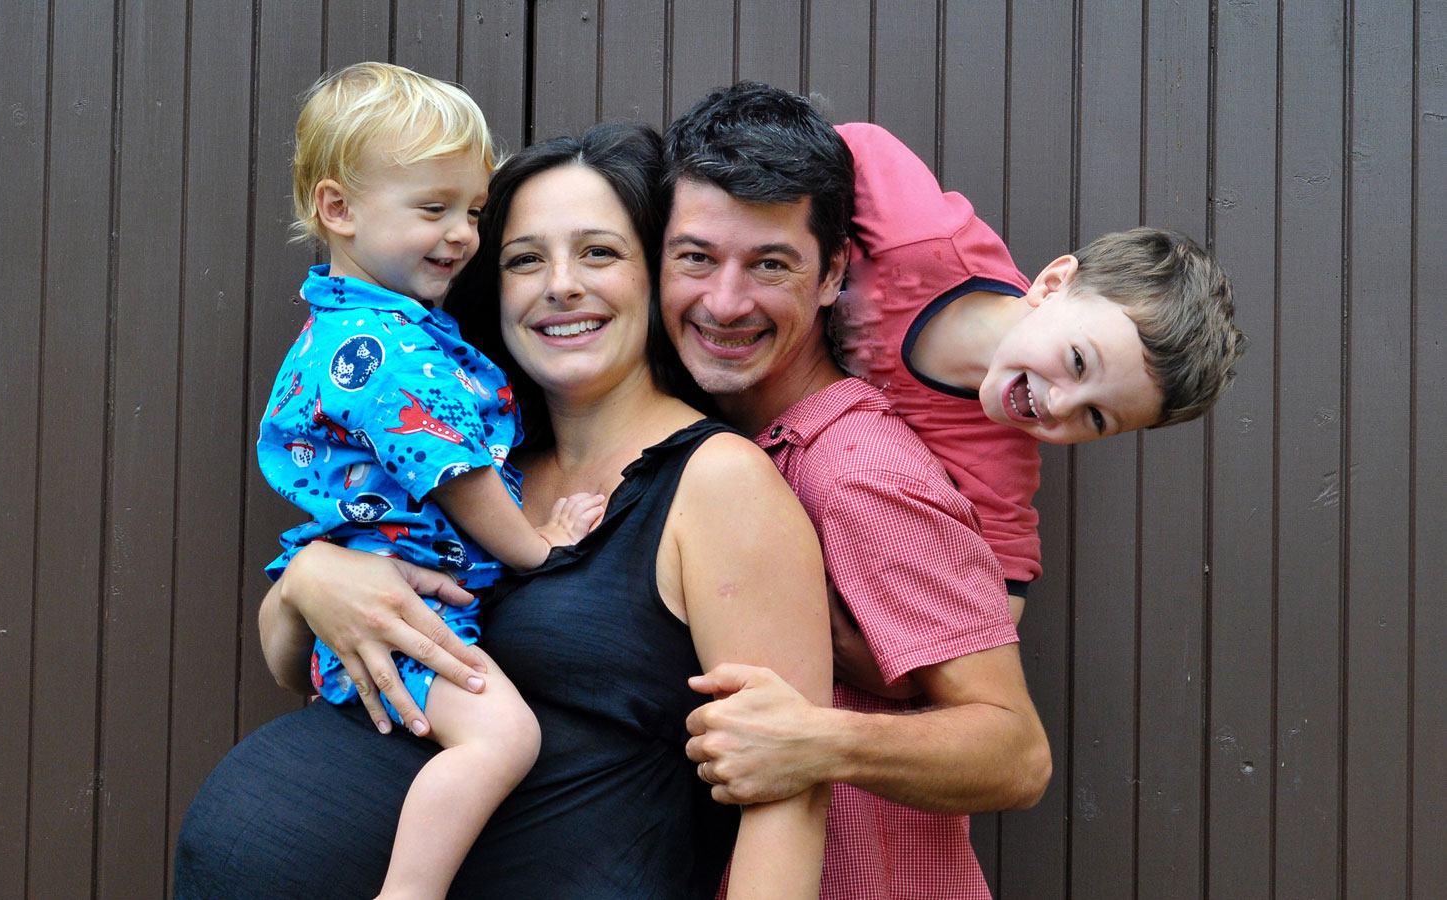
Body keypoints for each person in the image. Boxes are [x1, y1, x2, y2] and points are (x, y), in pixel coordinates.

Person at [179, 122, 831, 900]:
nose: (561, 285)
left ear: (656, 276)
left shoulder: (717, 481)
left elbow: (786, 796)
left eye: (599, 252)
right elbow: (298, 669)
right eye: (525, 259)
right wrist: (308, 583)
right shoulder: (474, 469)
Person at [656, 83, 1051, 900]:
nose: (725, 302)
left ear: (833, 272)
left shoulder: (860, 469)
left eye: (771, 264)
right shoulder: (705, 444)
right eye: (696, 258)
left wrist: (818, 743)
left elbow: (1015, 754)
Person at [256, 60, 605, 900]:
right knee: (503, 739)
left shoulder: (360, 325)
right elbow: (454, 472)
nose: (462, 235)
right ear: (338, 209)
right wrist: (540, 546)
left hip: (385, 590)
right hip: (406, 606)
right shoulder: (388, 349)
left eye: (473, 212)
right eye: (433, 208)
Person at [828, 121, 1242, 629]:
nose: (1061, 406)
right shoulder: (921, 239)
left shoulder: (998, 452)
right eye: (1079, 362)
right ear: (1052, 284)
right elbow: (849, 145)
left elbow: (1004, 588)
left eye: (1095, 417)